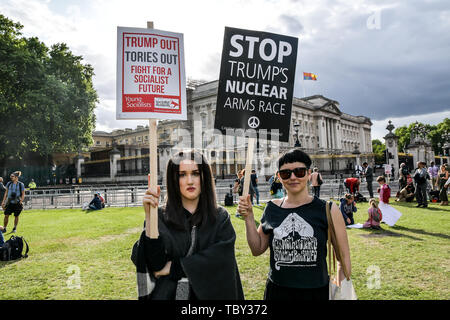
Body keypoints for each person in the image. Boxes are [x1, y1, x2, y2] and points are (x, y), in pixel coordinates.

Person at [237, 148, 351, 300]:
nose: (292, 177)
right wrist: (249, 218)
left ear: (309, 173)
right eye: (285, 173)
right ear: (279, 177)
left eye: (299, 172)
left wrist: (341, 289)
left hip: (316, 292)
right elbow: (257, 249)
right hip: (277, 292)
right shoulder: (272, 208)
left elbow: (343, 258)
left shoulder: (328, 209)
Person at [136, 150, 244, 300]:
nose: (190, 181)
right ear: (173, 179)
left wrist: (175, 267)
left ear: (204, 176)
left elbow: (220, 261)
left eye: (195, 173)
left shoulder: (220, 217)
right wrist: (149, 217)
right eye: (182, 175)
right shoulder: (160, 216)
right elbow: (155, 264)